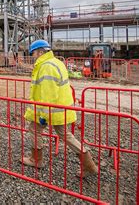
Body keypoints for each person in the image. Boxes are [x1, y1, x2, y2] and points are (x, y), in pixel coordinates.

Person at [22, 39, 98, 177]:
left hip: (51, 110)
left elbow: (48, 94)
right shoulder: (56, 62)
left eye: (33, 53)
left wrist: (44, 116)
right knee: (66, 135)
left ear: (40, 52)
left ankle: (36, 160)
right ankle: (89, 164)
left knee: (34, 130)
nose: (32, 56)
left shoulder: (46, 66)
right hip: (61, 109)